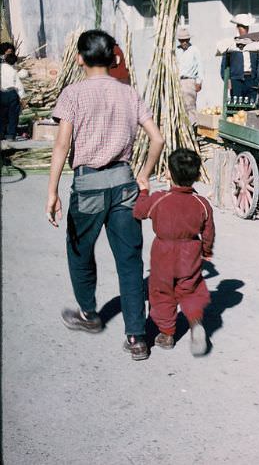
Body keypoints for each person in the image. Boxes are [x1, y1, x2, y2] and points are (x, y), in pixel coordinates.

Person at [46, 29, 165, 361]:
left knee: (80, 253)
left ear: (79, 58)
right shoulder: (128, 94)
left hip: (87, 187)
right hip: (125, 185)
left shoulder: (72, 95)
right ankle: (137, 338)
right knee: (129, 262)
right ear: (114, 59)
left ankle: (89, 314)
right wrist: (142, 174)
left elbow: (61, 145)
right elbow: (157, 140)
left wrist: (52, 191)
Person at [133, 148, 214, 356]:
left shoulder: (159, 199)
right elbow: (208, 233)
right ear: (197, 176)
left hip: (163, 254)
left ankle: (167, 333)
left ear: (168, 173)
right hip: (191, 253)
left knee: (163, 293)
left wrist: (143, 191)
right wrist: (206, 251)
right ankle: (196, 324)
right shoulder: (202, 204)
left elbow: (139, 211)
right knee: (190, 290)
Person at [221, 36, 259, 103]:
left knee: (250, 104)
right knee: (236, 104)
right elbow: (224, 65)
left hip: (251, 79)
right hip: (236, 80)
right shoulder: (232, 46)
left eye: (245, 28)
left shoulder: (253, 46)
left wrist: (257, 80)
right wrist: (227, 81)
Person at [176, 26, 203, 125]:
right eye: (182, 40)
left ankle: (193, 129)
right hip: (178, 81)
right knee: (180, 106)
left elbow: (200, 66)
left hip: (189, 81)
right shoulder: (176, 51)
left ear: (189, 39)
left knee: (190, 106)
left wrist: (199, 82)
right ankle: (183, 129)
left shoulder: (194, 50)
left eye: (186, 40)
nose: (184, 43)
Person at [0, 53, 26, 141]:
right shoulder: (13, 71)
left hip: (2, 93)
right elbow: (19, 85)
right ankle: (11, 135)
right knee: (13, 115)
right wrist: (22, 96)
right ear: (14, 62)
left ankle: (1, 133)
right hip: (11, 94)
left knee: (2, 115)